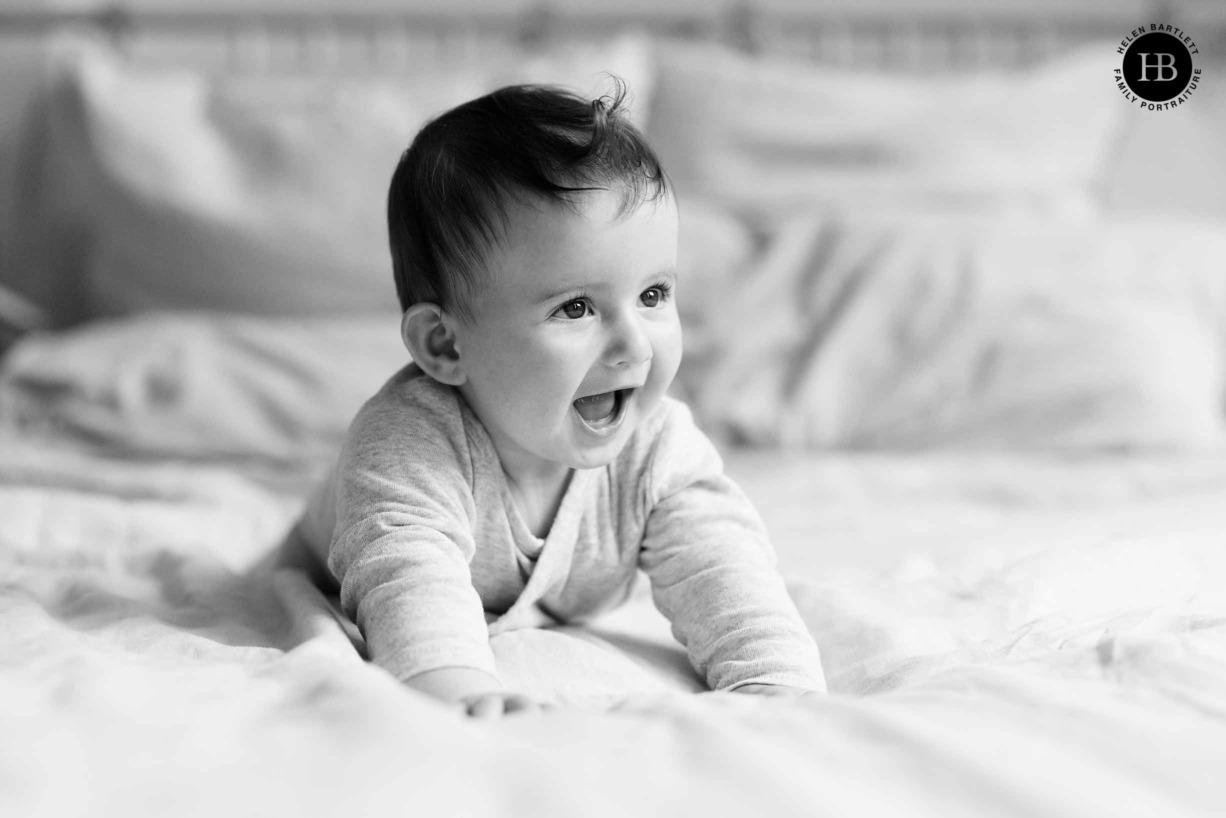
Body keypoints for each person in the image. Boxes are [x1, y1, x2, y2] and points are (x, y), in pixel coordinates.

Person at [283, 80, 825, 718]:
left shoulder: (657, 450)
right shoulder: (409, 446)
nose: (635, 346)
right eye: (576, 307)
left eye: (653, 296)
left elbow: (725, 571)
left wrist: (776, 689)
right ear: (446, 346)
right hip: (330, 554)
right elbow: (407, 576)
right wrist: (456, 687)